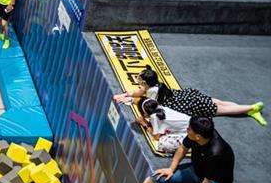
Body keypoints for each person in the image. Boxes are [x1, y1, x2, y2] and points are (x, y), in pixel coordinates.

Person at [114, 66, 266, 126]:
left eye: (140, 78)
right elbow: (138, 93)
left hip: (185, 104)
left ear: (145, 81)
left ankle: (251, 108)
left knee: (220, 109)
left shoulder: (153, 91)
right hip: (184, 96)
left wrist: (131, 101)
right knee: (219, 102)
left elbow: (151, 106)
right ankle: (248, 109)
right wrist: (127, 95)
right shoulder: (151, 86)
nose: (137, 78)